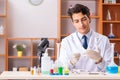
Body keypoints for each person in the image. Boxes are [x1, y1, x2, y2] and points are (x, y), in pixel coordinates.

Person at [59, 4, 112, 72]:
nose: (81, 24)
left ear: (89, 19)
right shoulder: (66, 42)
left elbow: (110, 69)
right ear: (73, 23)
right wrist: (70, 63)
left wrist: (100, 61)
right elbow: (61, 70)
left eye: (83, 19)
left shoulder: (104, 40)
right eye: (76, 21)